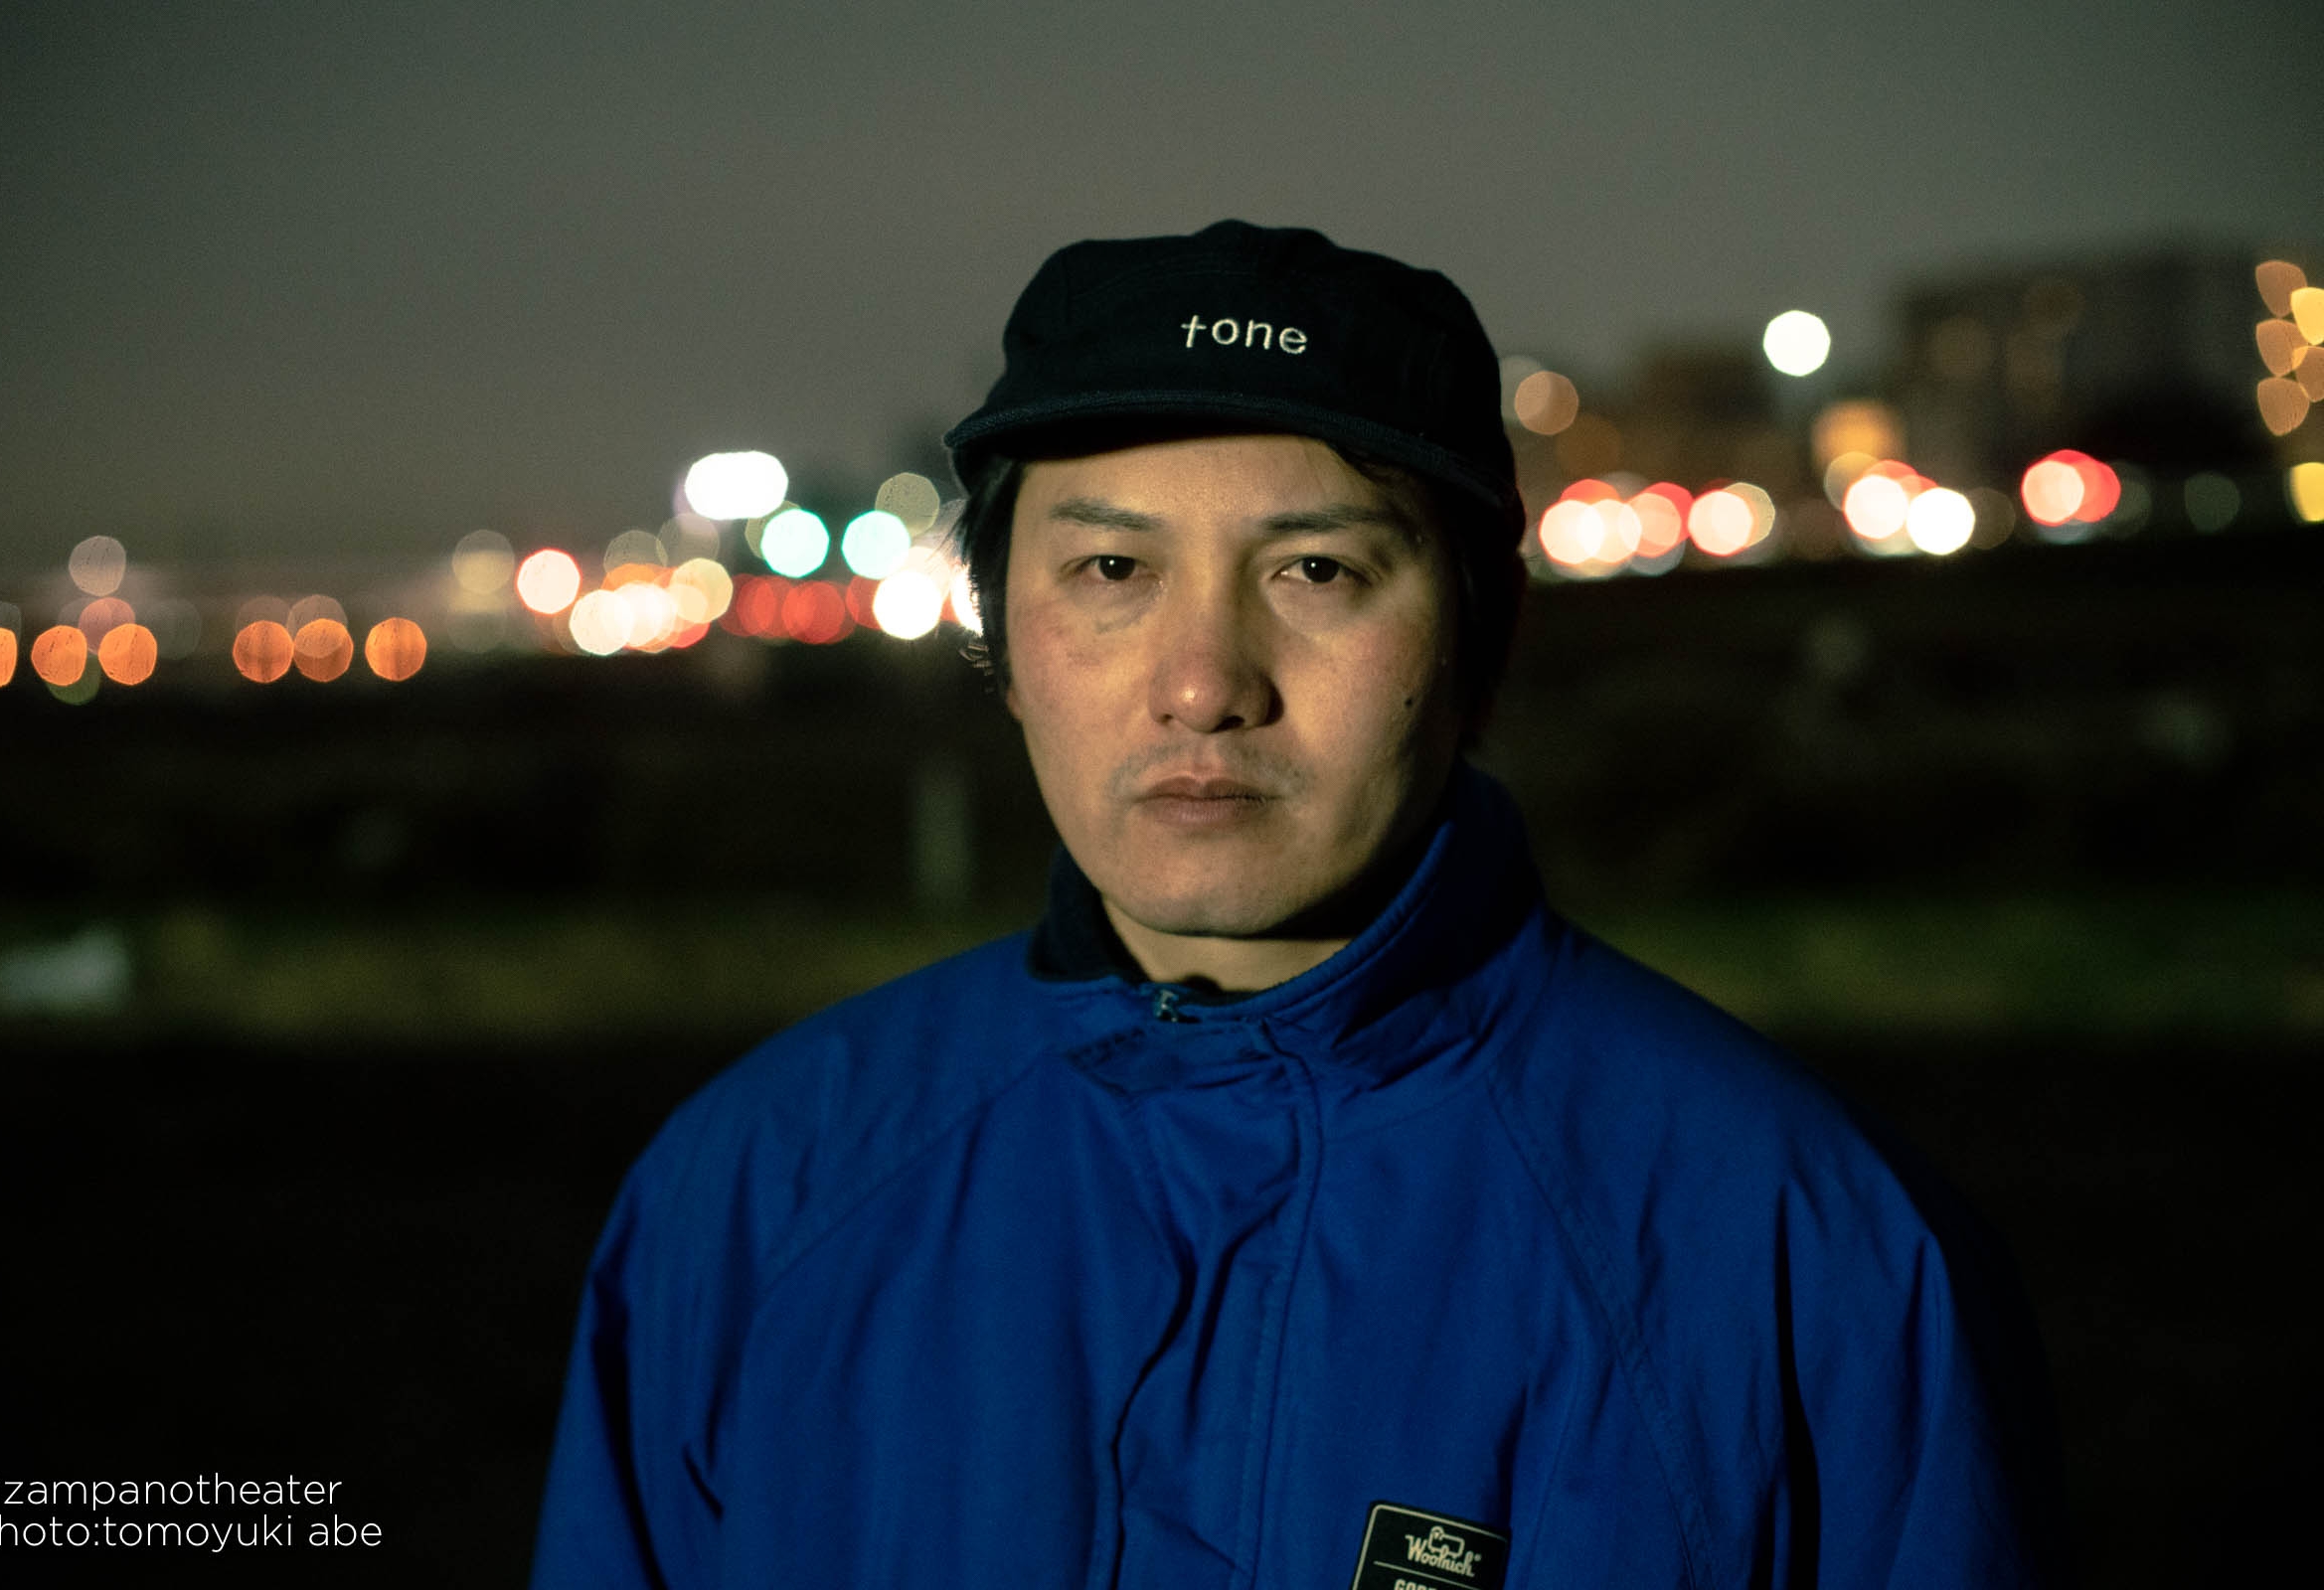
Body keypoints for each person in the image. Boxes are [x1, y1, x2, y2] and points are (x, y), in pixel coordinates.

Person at [530, 221, 2067, 1588]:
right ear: (1000, 636)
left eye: (1318, 571)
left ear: (1479, 639)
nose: (1204, 684)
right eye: (1112, 569)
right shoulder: (759, 1197)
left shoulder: (1801, 1251)